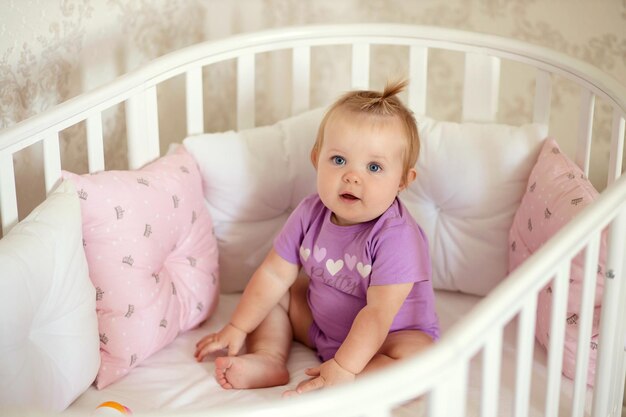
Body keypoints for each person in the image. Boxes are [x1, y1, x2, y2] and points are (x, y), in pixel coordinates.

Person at [194, 79, 439, 396]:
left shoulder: (397, 237)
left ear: (403, 181)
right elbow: (272, 273)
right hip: (321, 326)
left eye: (374, 167)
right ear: (316, 159)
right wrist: (237, 326)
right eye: (339, 160)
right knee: (277, 293)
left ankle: (348, 380)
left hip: (387, 337)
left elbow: (378, 314)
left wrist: (345, 367)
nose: (352, 176)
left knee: (420, 359)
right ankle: (269, 358)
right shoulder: (310, 212)